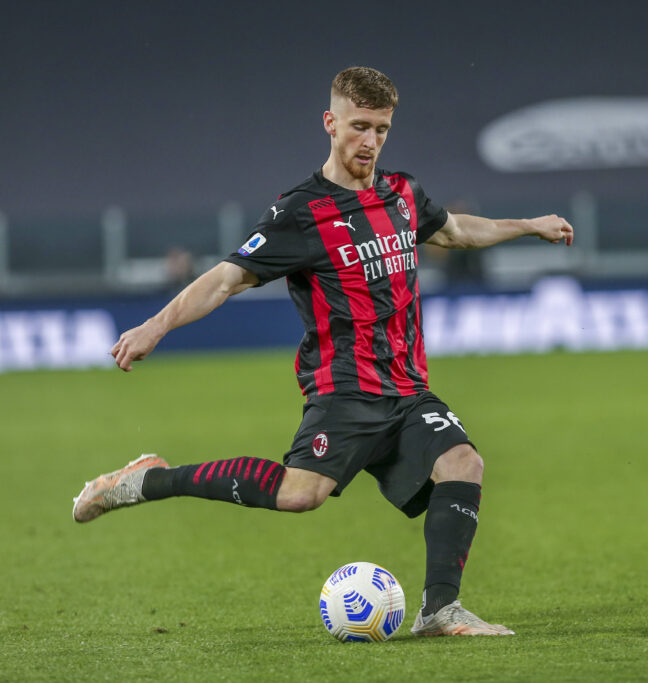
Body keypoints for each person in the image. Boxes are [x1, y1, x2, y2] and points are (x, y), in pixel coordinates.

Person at [73, 66, 573, 637]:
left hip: (407, 388)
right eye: (359, 126)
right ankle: (149, 479)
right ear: (331, 123)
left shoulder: (402, 194)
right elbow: (226, 278)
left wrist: (529, 225)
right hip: (345, 392)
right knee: (300, 494)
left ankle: (439, 610)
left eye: (381, 129)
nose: (370, 141)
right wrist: (155, 326)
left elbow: (455, 230)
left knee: (464, 462)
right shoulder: (300, 212)